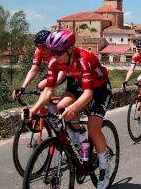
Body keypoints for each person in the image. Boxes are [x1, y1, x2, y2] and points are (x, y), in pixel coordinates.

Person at [22, 29, 112, 189]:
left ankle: (104, 166)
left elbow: (89, 94)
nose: (54, 56)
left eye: (58, 52)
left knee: (93, 127)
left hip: (99, 88)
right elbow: (48, 91)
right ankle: (76, 142)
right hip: (80, 84)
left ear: (70, 49)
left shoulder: (84, 59)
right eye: (52, 52)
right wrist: (34, 110)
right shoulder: (55, 61)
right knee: (61, 106)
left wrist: (74, 107)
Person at [12, 30, 65, 100]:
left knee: (46, 88)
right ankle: (51, 107)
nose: (44, 50)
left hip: (66, 71)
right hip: (55, 71)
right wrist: (22, 87)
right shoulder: (38, 52)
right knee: (40, 86)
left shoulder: (57, 50)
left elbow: (63, 72)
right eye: (40, 48)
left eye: (46, 47)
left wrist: (51, 87)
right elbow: (33, 70)